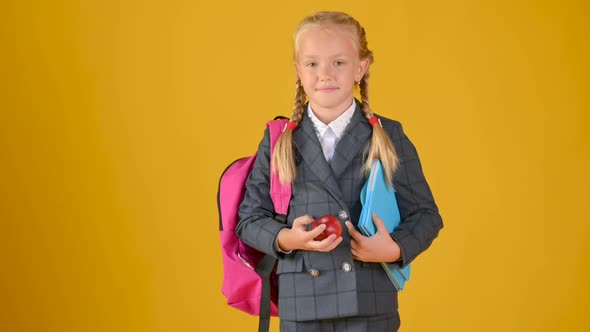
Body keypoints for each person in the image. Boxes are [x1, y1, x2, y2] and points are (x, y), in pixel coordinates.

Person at [236, 11, 443, 332]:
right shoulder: (279, 139)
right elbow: (249, 219)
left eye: (339, 63)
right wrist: (287, 238)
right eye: (312, 64)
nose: (325, 74)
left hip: (369, 300)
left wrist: (394, 249)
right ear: (298, 72)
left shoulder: (388, 135)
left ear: (361, 68)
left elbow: (427, 215)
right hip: (302, 303)